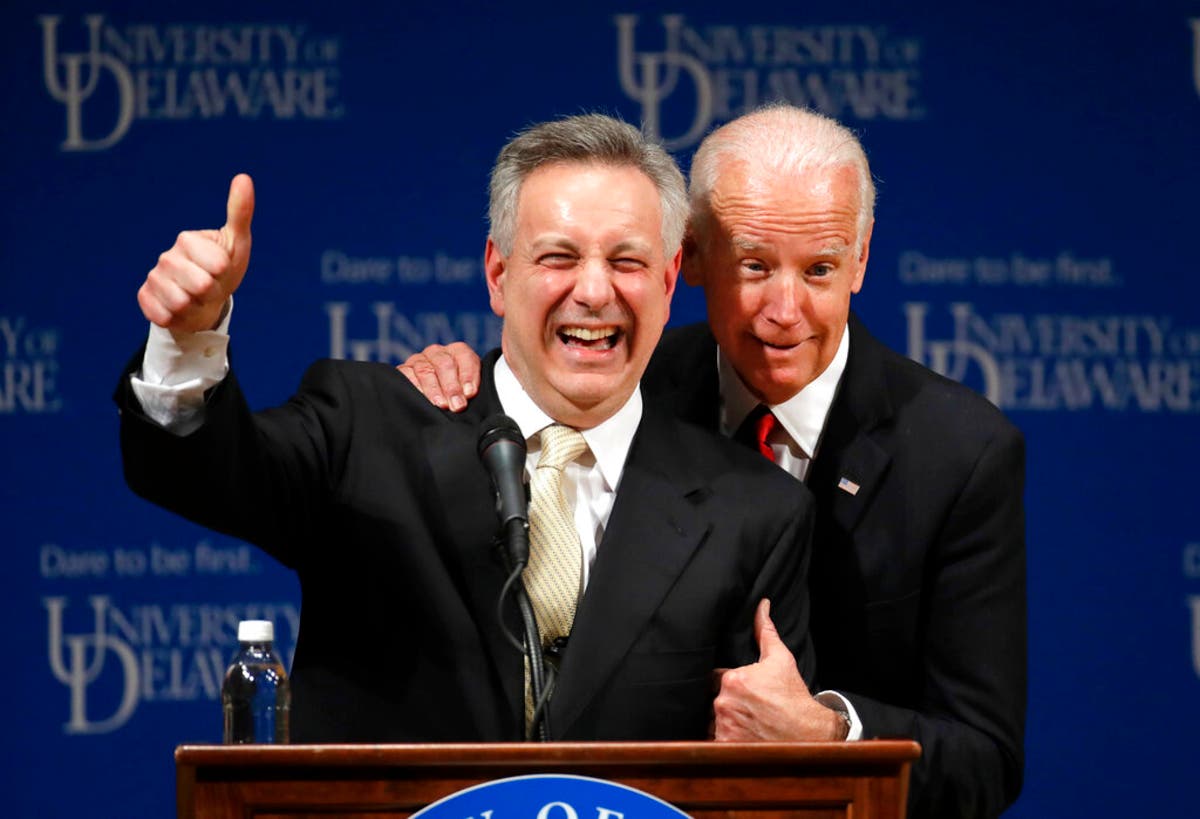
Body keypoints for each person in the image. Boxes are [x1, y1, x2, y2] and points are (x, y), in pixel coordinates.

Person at [399, 104, 1026, 818]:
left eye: (820, 269)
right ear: (687, 257)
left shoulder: (960, 452)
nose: (785, 309)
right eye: (754, 265)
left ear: (862, 256)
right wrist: (460, 382)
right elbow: (520, 390)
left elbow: (985, 761)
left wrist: (828, 730)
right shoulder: (625, 379)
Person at [114, 114, 818, 744]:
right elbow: (206, 473)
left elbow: (765, 761)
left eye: (627, 261)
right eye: (559, 257)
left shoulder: (753, 513)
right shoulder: (370, 425)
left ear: (669, 282)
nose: (596, 291)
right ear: (497, 273)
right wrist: (188, 339)